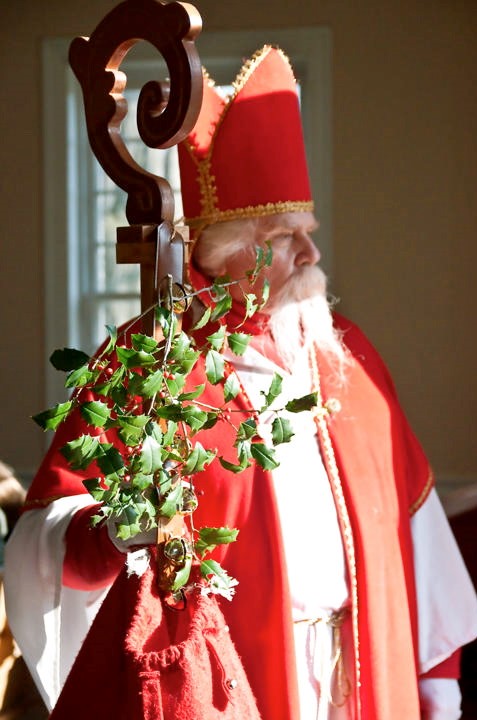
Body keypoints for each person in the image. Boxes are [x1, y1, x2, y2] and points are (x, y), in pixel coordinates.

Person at [4, 45, 477, 720]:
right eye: (284, 235)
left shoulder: (352, 359)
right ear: (224, 251)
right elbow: (47, 536)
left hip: (367, 673)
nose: (311, 253)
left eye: (307, 232)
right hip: (240, 683)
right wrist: (112, 534)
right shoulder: (149, 364)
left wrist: (437, 684)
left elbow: (418, 533)